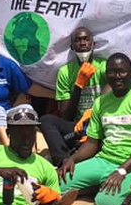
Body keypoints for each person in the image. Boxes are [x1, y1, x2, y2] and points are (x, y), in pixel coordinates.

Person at [58, 53, 131, 205]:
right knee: (58, 185)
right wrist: (73, 159)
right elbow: (92, 143)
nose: (117, 76)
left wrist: (122, 170)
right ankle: (98, 185)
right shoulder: (100, 102)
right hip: (104, 160)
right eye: (112, 72)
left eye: (122, 72)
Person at [38, 26, 105, 165]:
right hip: (78, 127)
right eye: (78, 40)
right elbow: (66, 115)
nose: (82, 43)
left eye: (86, 39)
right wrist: (78, 85)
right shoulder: (65, 72)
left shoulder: (104, 66)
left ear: (94, 44)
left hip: (101, 124)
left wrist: (93, 113)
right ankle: (63, 161)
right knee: (46, 120)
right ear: (72, 47)